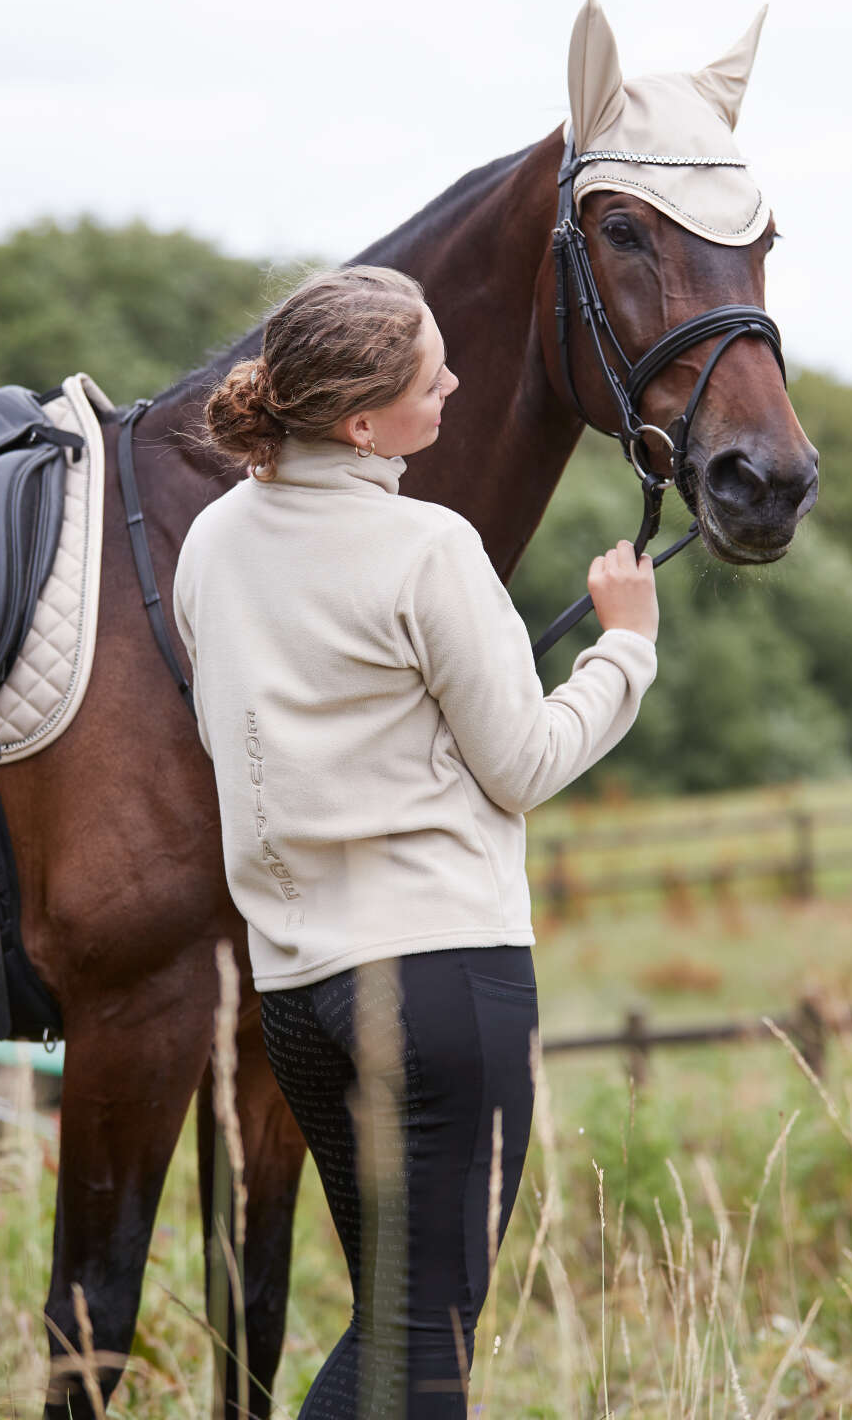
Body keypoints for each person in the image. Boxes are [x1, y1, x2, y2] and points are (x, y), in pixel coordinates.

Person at [173, 265, 658, 1418]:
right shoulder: (429, 547)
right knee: (417, 1348)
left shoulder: (211, 540)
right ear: (358, 421)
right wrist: (623, 647)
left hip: (297, 996)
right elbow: (525, 763)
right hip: (440, 984)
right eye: (425, 372)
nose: (452, 379)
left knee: (395, 1323)